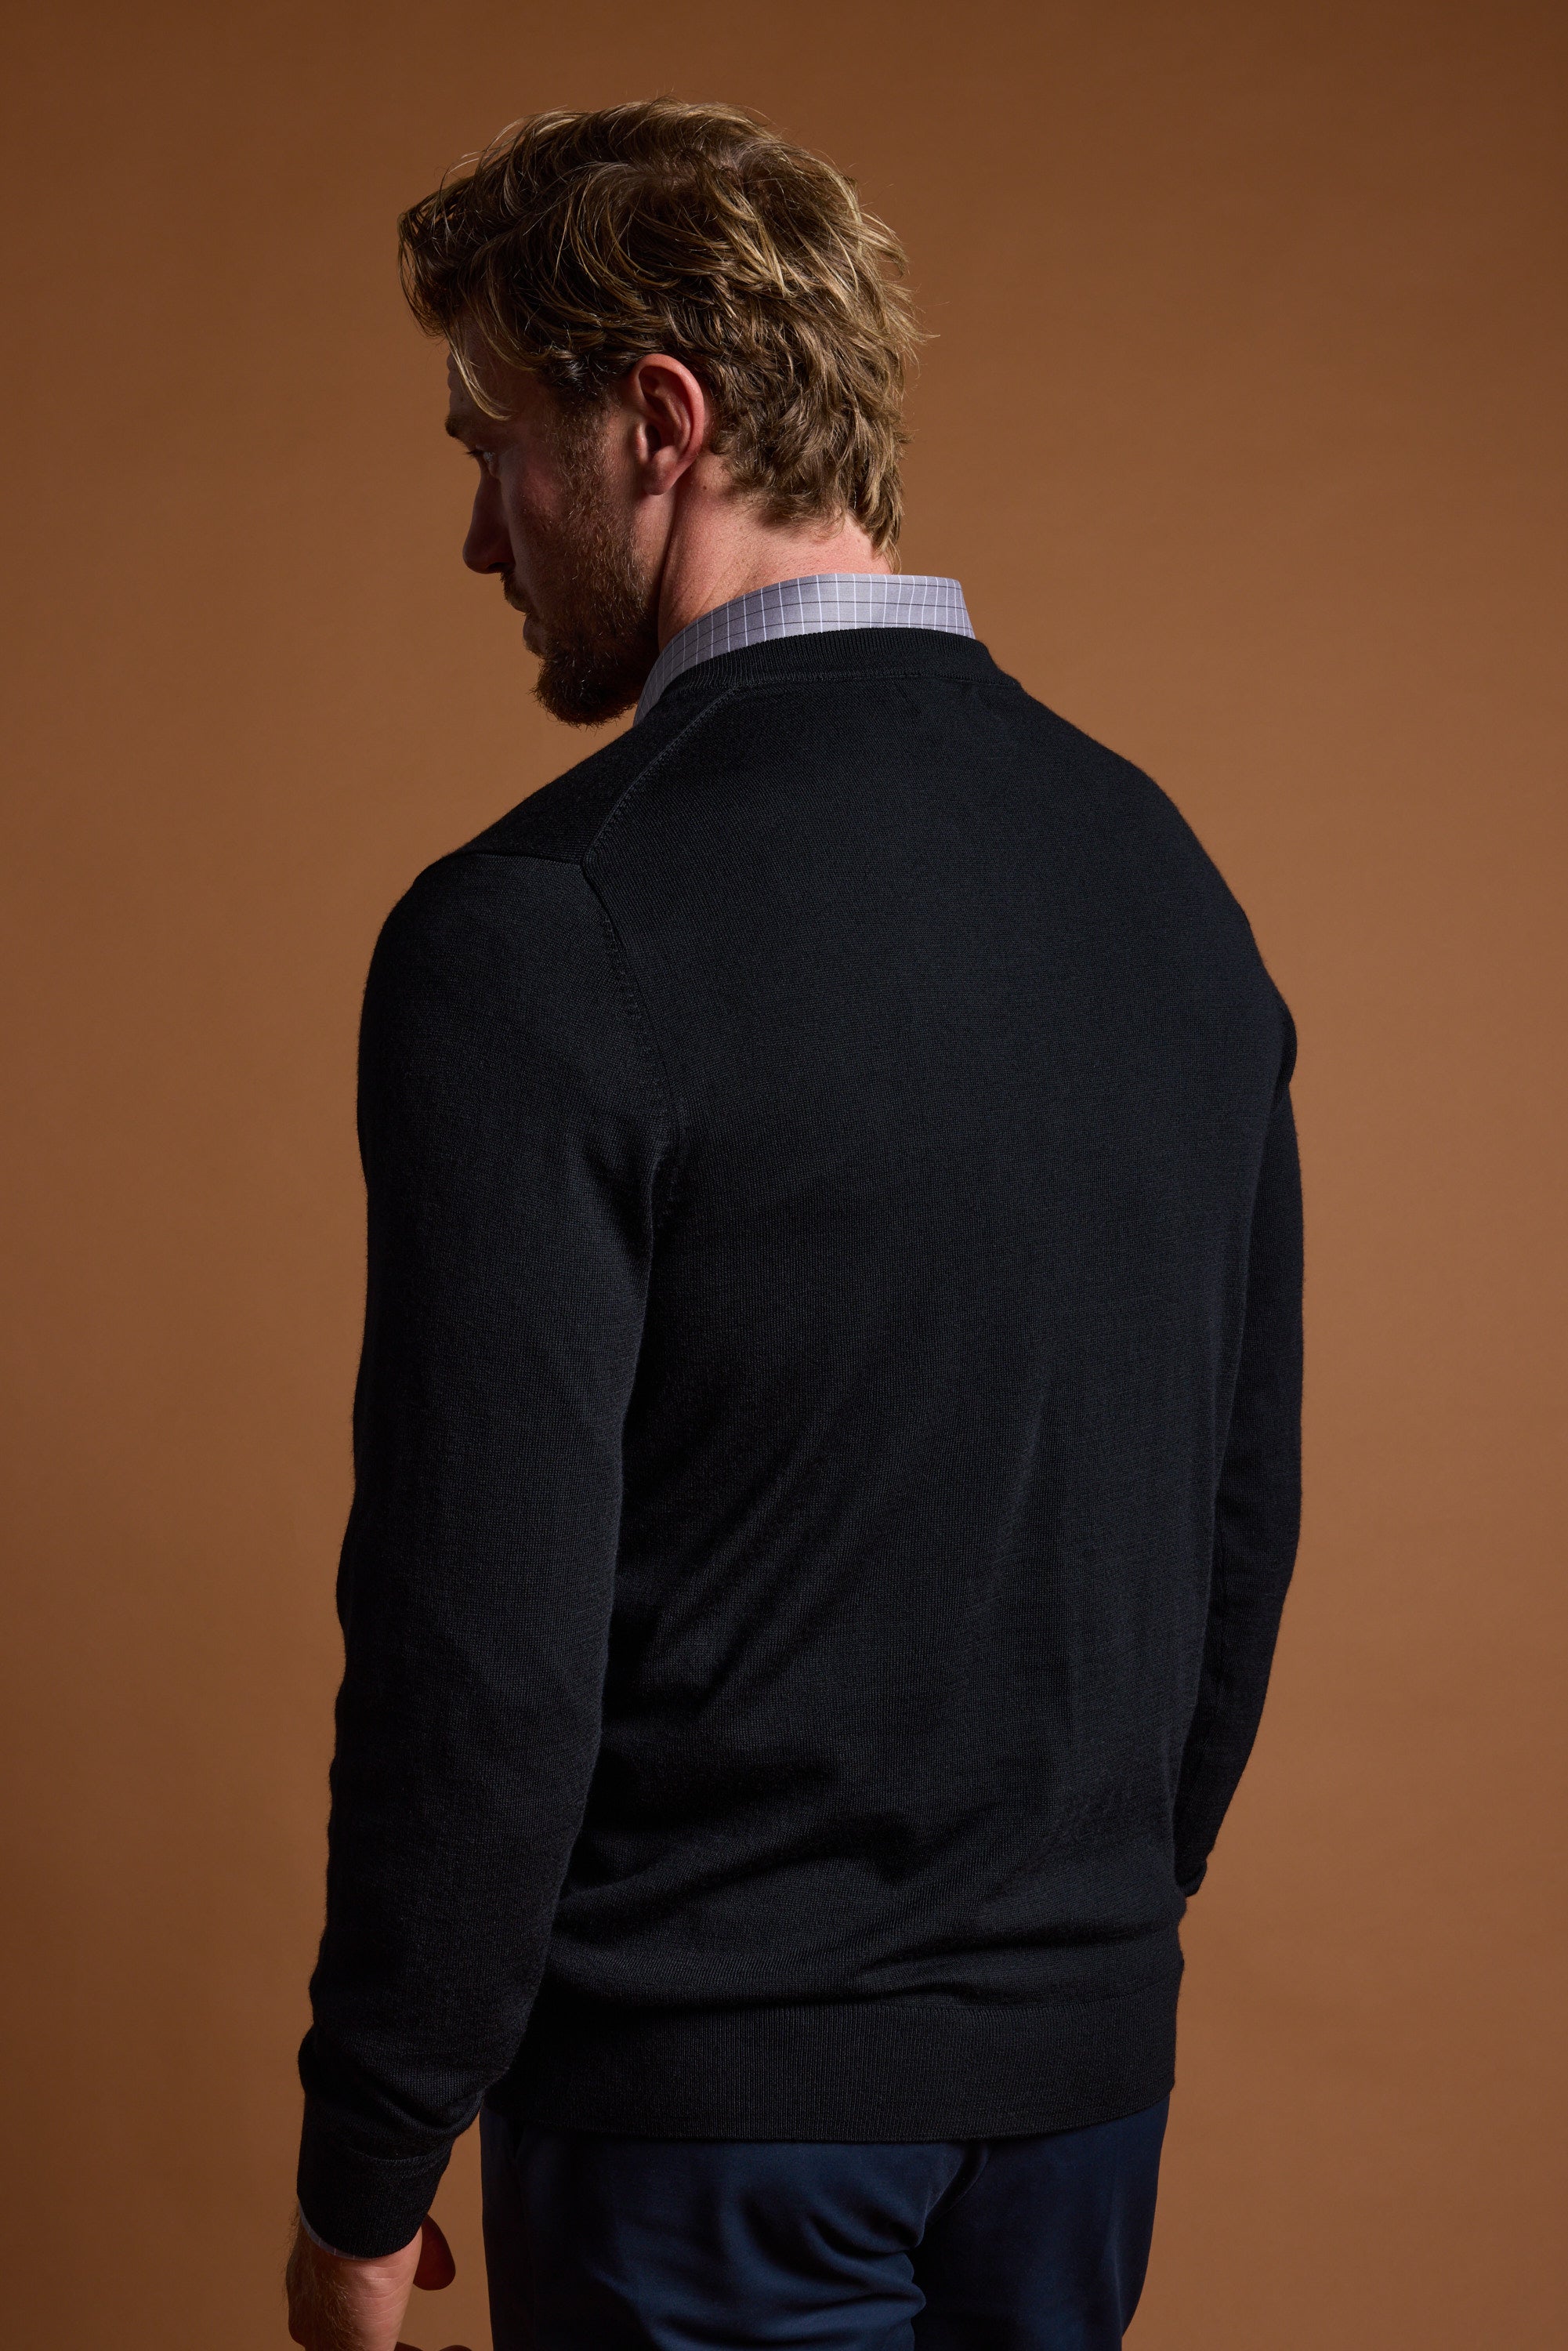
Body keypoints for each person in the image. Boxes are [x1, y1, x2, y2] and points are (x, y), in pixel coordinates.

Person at [285, 100, 1302, 2351]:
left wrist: (371, 2152)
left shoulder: (542, 928)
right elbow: (1237, 1525)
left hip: (705, 2132)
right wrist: (1054, 1960)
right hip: (1073, 2111)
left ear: (657, 420)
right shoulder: (1160, 879)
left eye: (494, 443)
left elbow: (484, 1639)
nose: (477, 531)